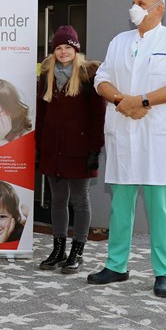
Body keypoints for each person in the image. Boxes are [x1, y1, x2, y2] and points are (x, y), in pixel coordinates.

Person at [88, 0, 166, 299]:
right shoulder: (119, 41)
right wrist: (122, 100)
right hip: (123, 132)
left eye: (141, 3)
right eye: (133, 2)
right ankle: (116, 265)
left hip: (157, 138)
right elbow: (101, 79)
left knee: (160, 209)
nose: (134, 7)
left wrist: (143, 100)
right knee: (120, 208)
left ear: (159, 10)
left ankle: (164, 273)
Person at [35, 26, 105, 273]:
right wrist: (40, 147)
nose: (63, 52)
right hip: (53, 149)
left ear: (76, 49)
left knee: (80, 200)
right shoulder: (47, 76)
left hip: (79, 150)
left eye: (68, 47)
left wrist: (94, 149)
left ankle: (77, 250)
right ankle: (58, 248)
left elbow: (98, 116)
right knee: (58, 200)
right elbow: (41, 115)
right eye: (58, 48)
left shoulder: (89, 75)